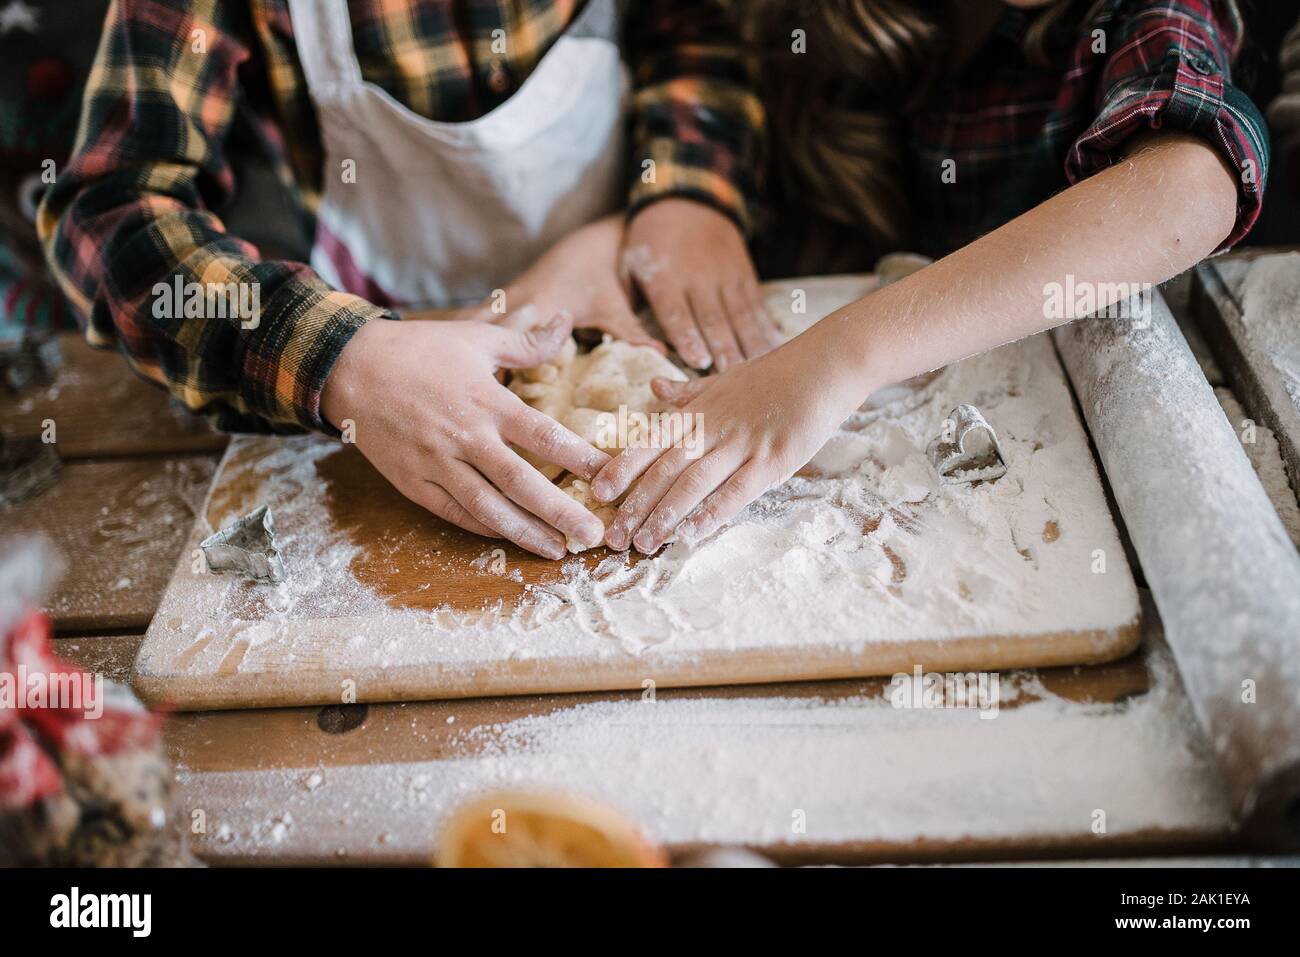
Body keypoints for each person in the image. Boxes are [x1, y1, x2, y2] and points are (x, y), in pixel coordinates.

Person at [38, 0, 768, 559]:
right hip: (390, 375)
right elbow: (109, 212)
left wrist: (684, 188)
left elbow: (693, 28)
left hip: (628, 273)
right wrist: (340, 357)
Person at [593, 0, 1269, 554]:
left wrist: (840, 357)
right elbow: (704, 71)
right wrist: (647, 213)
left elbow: (1190, 186)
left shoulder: (1139, 14)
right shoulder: (822, 24)